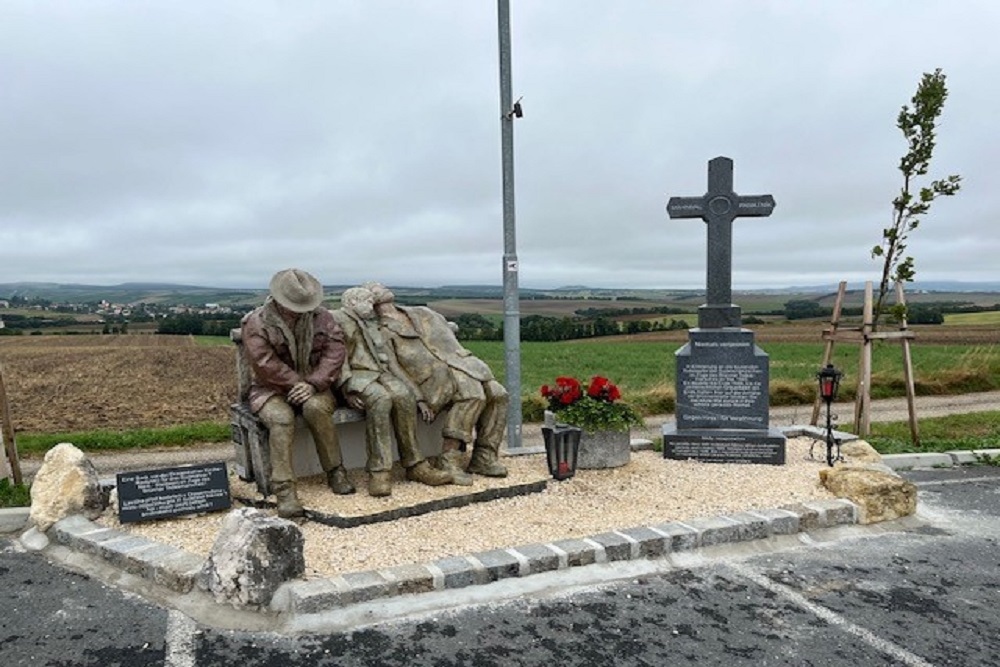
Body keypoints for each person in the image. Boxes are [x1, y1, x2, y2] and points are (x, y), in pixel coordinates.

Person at [364, 282, 508, 479]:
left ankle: (484, 456)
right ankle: (449, 459)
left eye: (380, 284)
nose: (381, 286)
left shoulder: (422, 312)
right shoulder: (380, 332)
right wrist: (418, 398)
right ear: (369, 299)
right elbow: (395, 369)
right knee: (472, 394)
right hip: (431, 382)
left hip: (461, 366)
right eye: (374, 286)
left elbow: (447, 335)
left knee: (498, 393)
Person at [241, 268, 354, 519]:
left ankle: (336, 471)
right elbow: (264, 362)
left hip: (315, 385)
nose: (299, 311)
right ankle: (285, 490)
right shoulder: (256, 321)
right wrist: (296, 383)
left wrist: (313, 383)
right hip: (270, 388)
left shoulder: (322, 318)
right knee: (281, 419)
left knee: (316, 409)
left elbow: (335, 352)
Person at [331, 287, 452, 496]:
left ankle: (415, 464)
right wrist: (346, 389)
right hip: (358, 377)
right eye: (367, 302)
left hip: (381, 373)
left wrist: (419, 397)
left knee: (404, 397)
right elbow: (337, 358)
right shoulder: (339, 319)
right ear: (352, 302)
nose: (372, 306)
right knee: (380, 399)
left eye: (372, 302)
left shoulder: (373, 323)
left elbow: (391, 362)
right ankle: (380, 471)